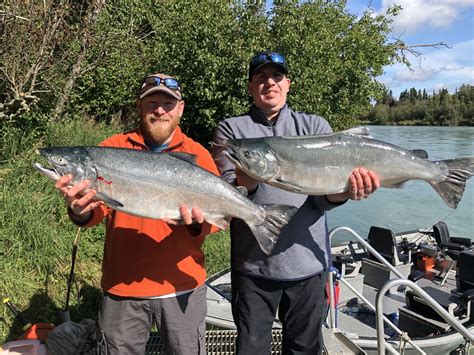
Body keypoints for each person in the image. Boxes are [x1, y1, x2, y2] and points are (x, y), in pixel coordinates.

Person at [212, 51, 381, 354]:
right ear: (250, 87)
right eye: (261, 78)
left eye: (277, 76)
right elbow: (224, 194)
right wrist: (245, 181)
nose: (270, 83)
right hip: (253, 267)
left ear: (288, 84)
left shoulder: (314, 127)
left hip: (308, 265)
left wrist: (346, 191)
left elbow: (322, 200)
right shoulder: (232, 132)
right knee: (250, 349)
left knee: (304, 349)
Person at [54, 73, 220, 354]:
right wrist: (79, 211)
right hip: (123, 289)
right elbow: (96, 211)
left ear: (180, 109)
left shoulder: (198, 154)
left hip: (181, 288)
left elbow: (216, 220)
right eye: (152, 102)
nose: (159, 110)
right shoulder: (110, 149)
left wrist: (196, 226)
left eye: (168, 104)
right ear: (139, 106)